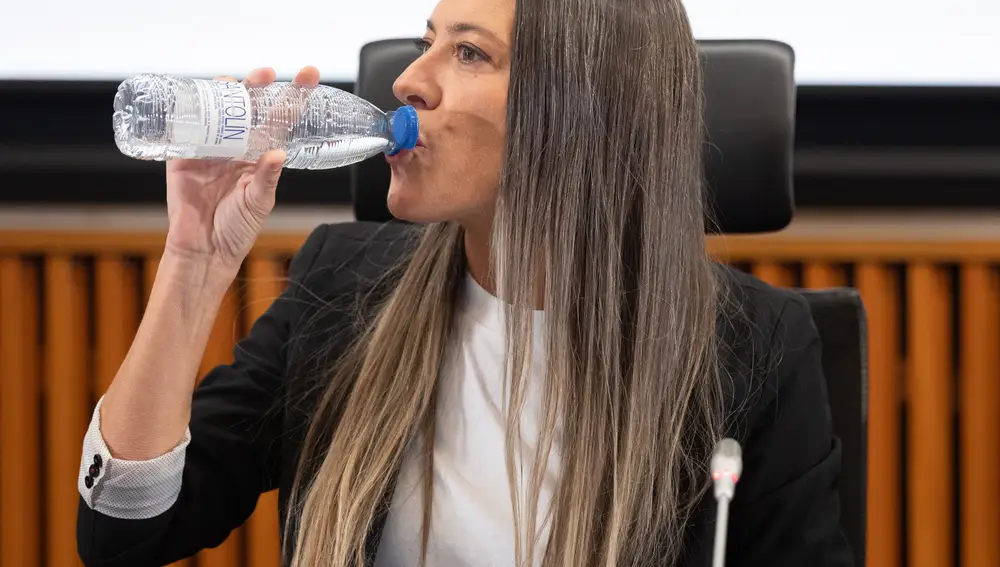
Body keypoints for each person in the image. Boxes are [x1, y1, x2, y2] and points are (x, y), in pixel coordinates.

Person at [76, 0, 853, 565]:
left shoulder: (753, 348)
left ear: (581, 110)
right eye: (426, 44)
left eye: (469, 53)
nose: (410, 80)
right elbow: (126, 530)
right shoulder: (342, 286)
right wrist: (193, 263)